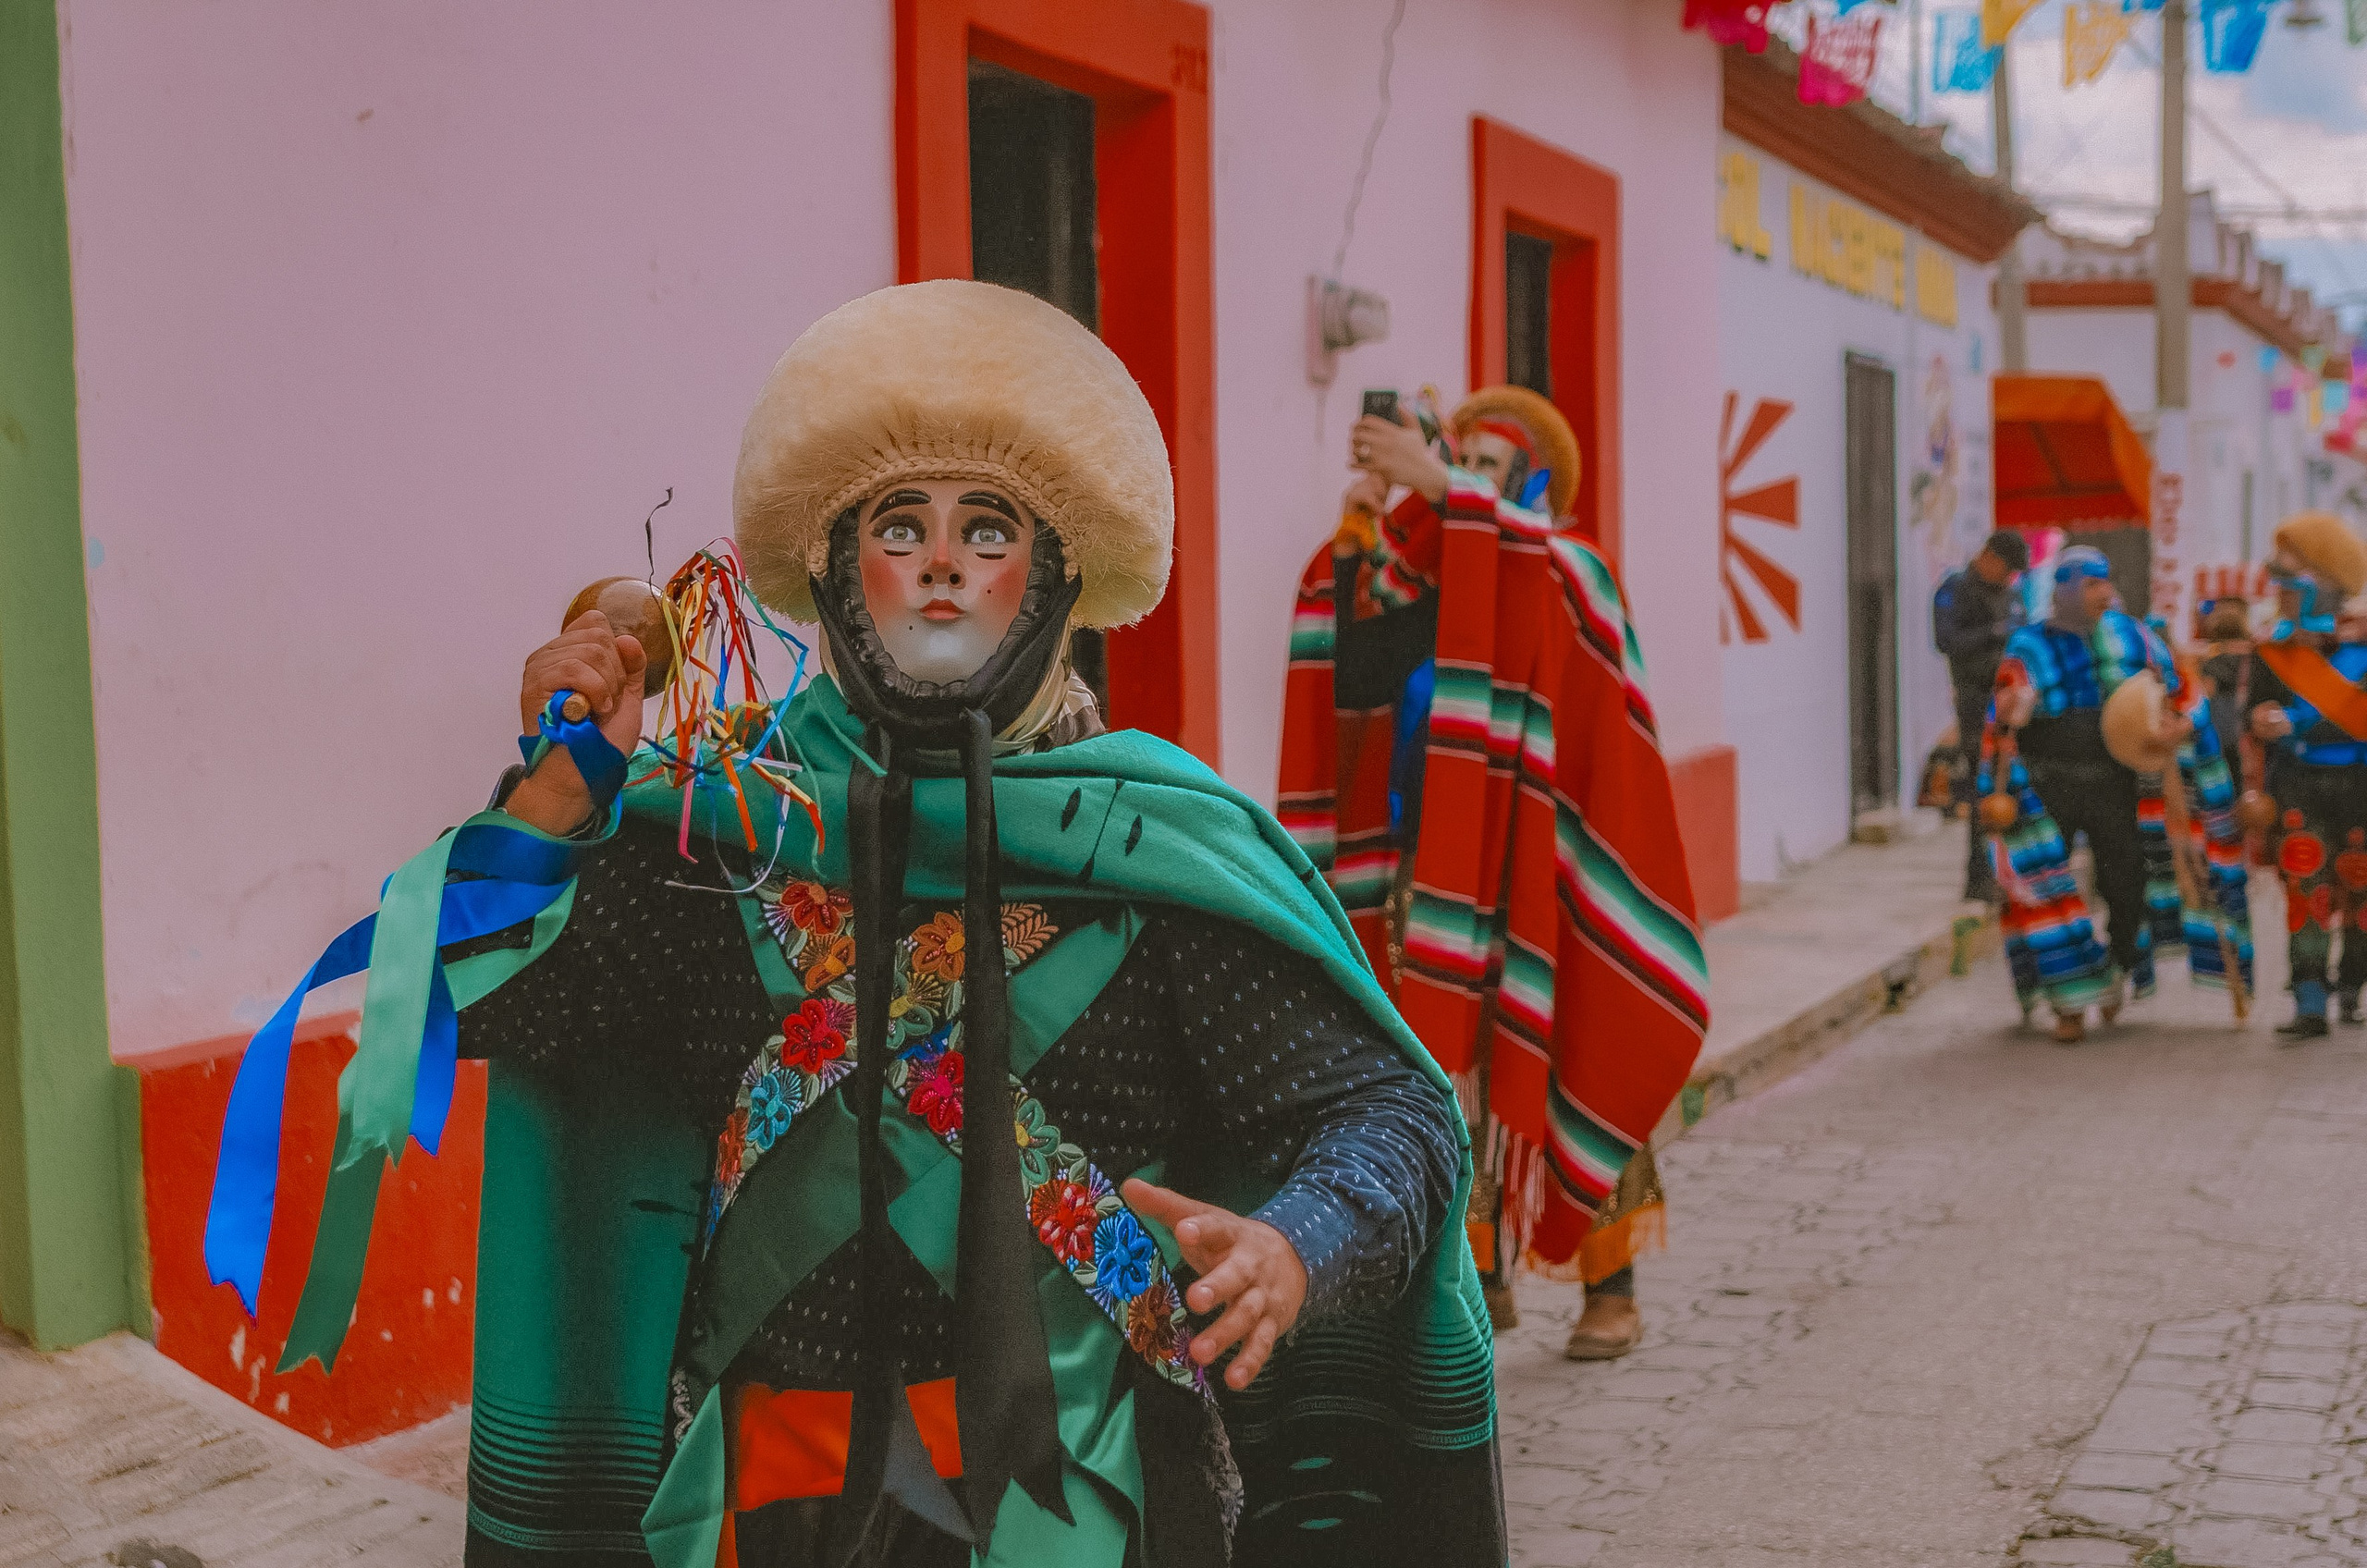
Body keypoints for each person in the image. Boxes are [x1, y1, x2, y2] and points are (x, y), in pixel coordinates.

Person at [209, 282, 1500, 1567]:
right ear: (833, 567)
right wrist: (557, 802)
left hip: (1083, 1503)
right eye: (900, 522)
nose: (941, 560)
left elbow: (1391, 1114)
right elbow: (482, 1004)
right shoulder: (726, 836)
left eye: (987, 529)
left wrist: (1298, 1242)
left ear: (1055, 577)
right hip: (769, 1500)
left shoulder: (1158, 855)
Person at [1276, 384, 1707, 1364]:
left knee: (1567, 1049)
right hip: (1425, 874)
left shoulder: (1566, 569)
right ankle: (1475, 1280)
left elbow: (1540, 579)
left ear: (1535, 484)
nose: (1464, 481)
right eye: (1454, 460)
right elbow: (1351, 684)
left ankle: (1609, 1280)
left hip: (1543, 872)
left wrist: (1441, 490)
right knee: (1436, 1078)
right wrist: (1361, 549)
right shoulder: (1412, 579)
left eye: (1489, 469)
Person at [1981, 546, 2251, 1043]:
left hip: (2116, 784)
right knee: (2047, 889)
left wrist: (2178, 725)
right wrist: (2012, 711)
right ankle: (2069, 1004)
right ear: (2064, 589)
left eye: (2106, 581)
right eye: (2090, 583)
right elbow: (2001, 712)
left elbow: (2182, 693)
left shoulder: (2134, 637)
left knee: (2127, 884)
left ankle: (2118, 969)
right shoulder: (2029, 645)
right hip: (2047, 786)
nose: (2103, 591)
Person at [2246, 512, 2367, 1040]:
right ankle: (2310, 996)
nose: (2280, 574)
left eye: (2293, 564)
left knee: (2361, 889)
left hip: (2360, 784)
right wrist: (2265, 721)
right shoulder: (2274, 646)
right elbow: (2254, 709)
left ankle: (2352, 985)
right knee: (2306, 885)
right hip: (2300, 782)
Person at [1934, 531, 2030, 901]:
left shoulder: (2012, 595)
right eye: (2005, 569)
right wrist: (1993, 633)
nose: (2008, 578)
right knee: (1980, 789)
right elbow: (1946, 641)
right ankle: (1979, 876)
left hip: (2010, 703)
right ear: (1989, 557)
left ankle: (2011, 869)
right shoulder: (1955, 590)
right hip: (1975, 703)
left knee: (2013, 788)